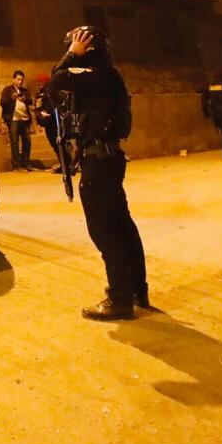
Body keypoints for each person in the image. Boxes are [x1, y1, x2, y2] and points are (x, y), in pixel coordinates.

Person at [48, 26, 147, 321]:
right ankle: (135, 290)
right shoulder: (107, 75)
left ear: (86, 48)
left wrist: (70, 55)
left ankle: (120, 299)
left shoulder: (94, 74)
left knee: (104, 230)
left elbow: (55, 80)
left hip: (99, 162)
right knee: (122, 226)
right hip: (109, 158)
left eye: (77, 46)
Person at [0, 70, 34, 170]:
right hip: (13, 120)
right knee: (15, 143)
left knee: (27, 142)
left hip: (25, 119)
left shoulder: (25, 91)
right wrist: (11, 98)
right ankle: (17, 165)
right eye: (18, 79)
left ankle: (26, 163)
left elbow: (30, 101)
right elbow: (2, 103)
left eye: (22, 80)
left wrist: (25, 99)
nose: (20, 82)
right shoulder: (7, 90)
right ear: (13, 79)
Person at [33, 75, 61, 171]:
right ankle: (64, 163)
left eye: (42, 83)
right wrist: (40, 120)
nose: (40, 85)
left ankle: (65, 164)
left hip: (54, 122)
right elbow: (38, 109)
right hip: (50, 122)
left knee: (58, 144)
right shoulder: (43, 94)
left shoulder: (52, 92)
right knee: (56, 144)